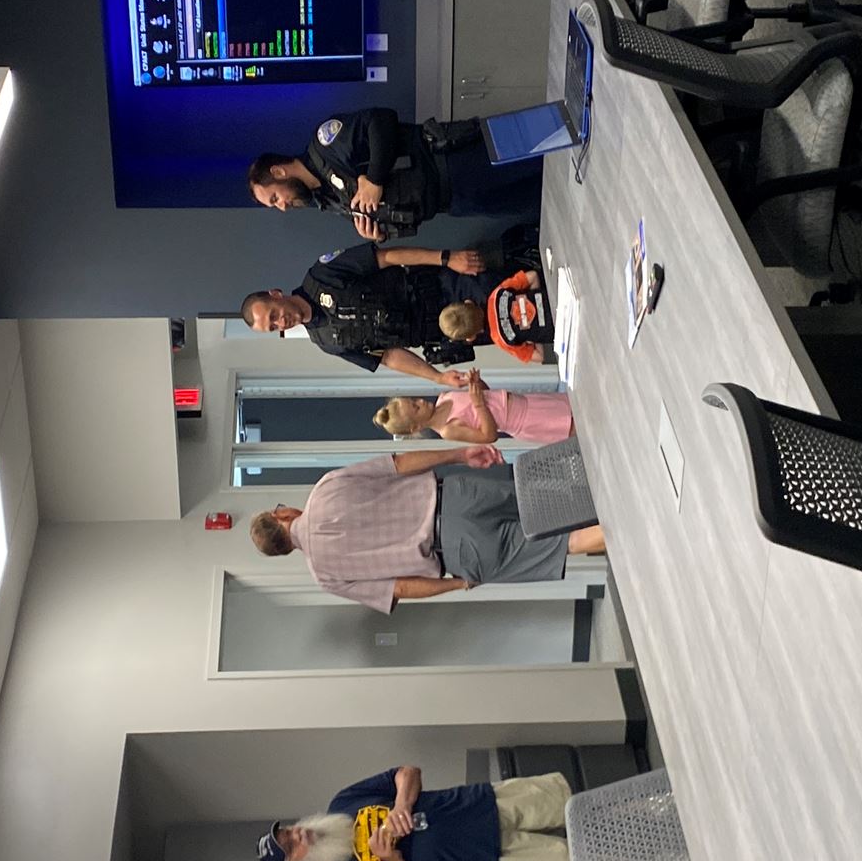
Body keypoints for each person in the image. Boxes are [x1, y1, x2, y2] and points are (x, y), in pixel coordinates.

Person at [248, 448, 603, 611]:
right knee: (554, 493)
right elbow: (399, 464)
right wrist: (458, 455)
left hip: (458, 552)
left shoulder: (326, 577)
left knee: (565, 545)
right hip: (457, 496)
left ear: (284, 550)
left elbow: (401, 588)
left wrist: (460, 583)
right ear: (281, 516)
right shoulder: (325, 488)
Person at [257, 760, 574, 861]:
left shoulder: (342, 802)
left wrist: (401, 806)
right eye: (290, 845)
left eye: (289, 830)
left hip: (482, 804)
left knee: (571, 800)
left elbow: (406, 772)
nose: (297, 834)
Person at [249, 105, 541, 243]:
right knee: (545, 197)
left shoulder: (325, 146)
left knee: (548, 141)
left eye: (275, 198)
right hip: (454, 202)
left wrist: (374, 179)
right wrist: (376, 232)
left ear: (278, 171)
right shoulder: (326, 200)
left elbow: (380, 119)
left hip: (456, 161)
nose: (282, 206)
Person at [243, 241, 499, 382]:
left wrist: (446, 258)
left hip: (448, 287)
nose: (281, 322)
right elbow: (388, 357)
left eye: (273, 315)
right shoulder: (327, 342)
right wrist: (437, 378)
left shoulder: (321, 275)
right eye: (273, 327)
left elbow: (387, 257)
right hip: (449, 331)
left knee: (515, 293)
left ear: (275, 294)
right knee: (513, 327)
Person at [373, 370, 573, 446]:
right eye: (416, 408)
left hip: (527, 401)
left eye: (414, 400)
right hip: (523, 421)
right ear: (416, 427)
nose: (421, 402)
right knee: (577, 425)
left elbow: (486, 395)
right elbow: (488, 436)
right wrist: (478, 404)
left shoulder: (444, 397)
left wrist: (476, 383)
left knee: (575, 404)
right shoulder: (448, 430)